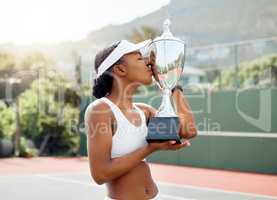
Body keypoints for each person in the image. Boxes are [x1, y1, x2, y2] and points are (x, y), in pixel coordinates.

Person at [84, 40, 197, 200]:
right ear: (120, 69)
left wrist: (171, 85)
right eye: (139, 58)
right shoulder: (101, 110)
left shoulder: (144, 111)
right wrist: (149, 149)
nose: (149, 64)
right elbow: (100, 174)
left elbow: (188, 130)